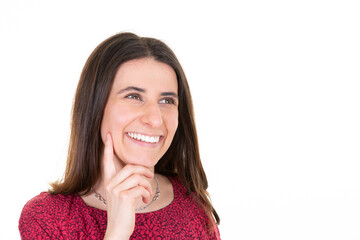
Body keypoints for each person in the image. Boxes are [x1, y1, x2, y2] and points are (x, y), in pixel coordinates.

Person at [19, 32, 220, 239]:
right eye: (134, 96)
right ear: (96, 106)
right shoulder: (46, 219)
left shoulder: (192, 203)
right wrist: (117, 232)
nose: (155, 119)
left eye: (167, 101)